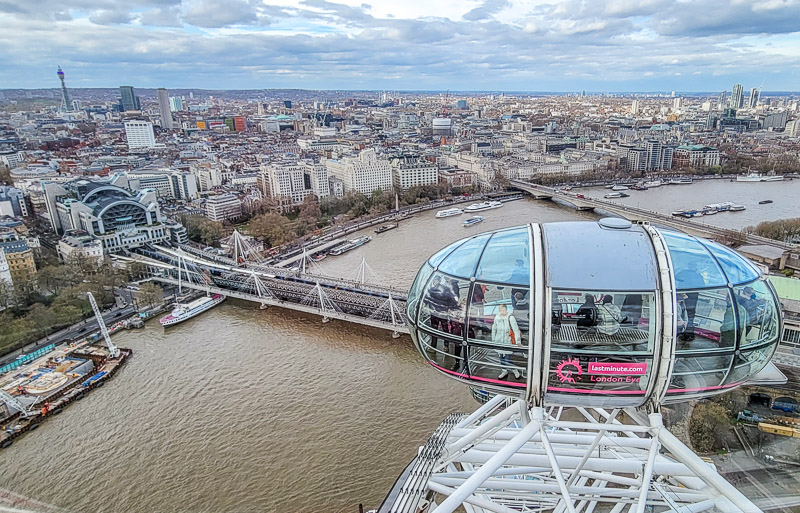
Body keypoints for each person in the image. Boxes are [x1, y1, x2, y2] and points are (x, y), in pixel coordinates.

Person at [492, 304, 521, 379]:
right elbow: (494, 329)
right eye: (501, 310)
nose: (502, 312)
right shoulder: (497, 318)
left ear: (506, 310)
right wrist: (493, 340)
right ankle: (504, 370)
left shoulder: (510, 318)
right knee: (501, 358)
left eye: (504, 310)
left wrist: (518, 341)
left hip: (507, 341)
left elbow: (515, 330)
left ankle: (514, 369)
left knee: (507, 359)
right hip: (499, 341)